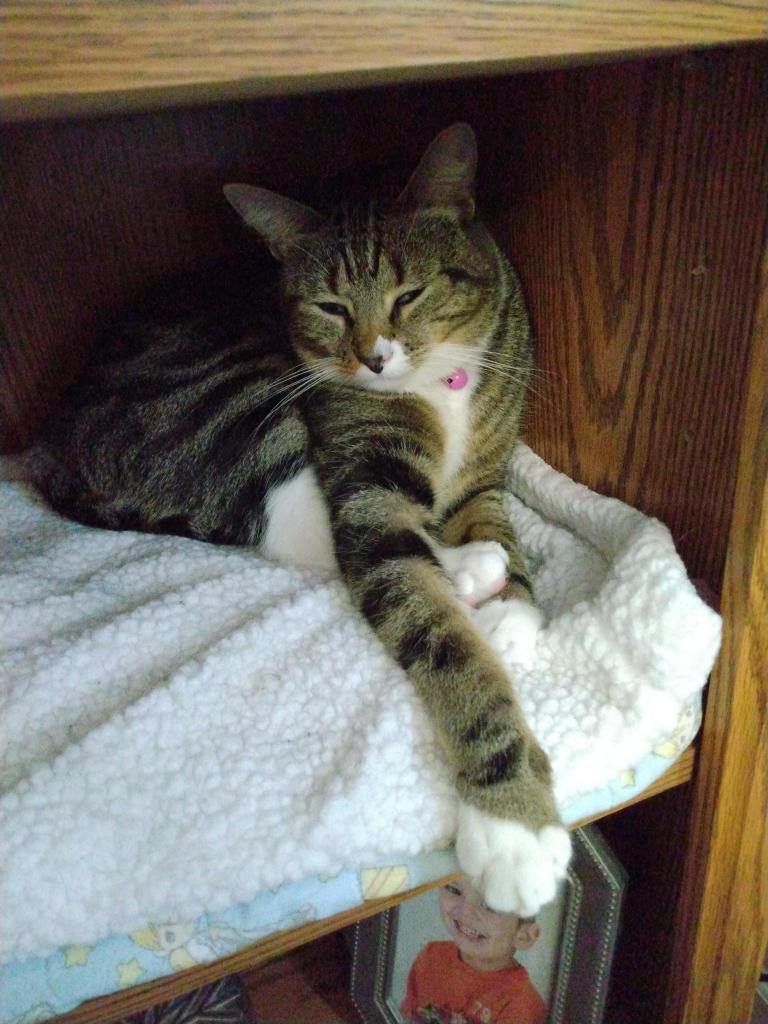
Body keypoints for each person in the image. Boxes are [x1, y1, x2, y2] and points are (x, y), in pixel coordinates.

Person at [401, 875, 547, 1024]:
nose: (466, 911)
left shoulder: (522, 1004)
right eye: (454, 889)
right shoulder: (430, 956)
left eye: (490, 906)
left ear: (524, 936)